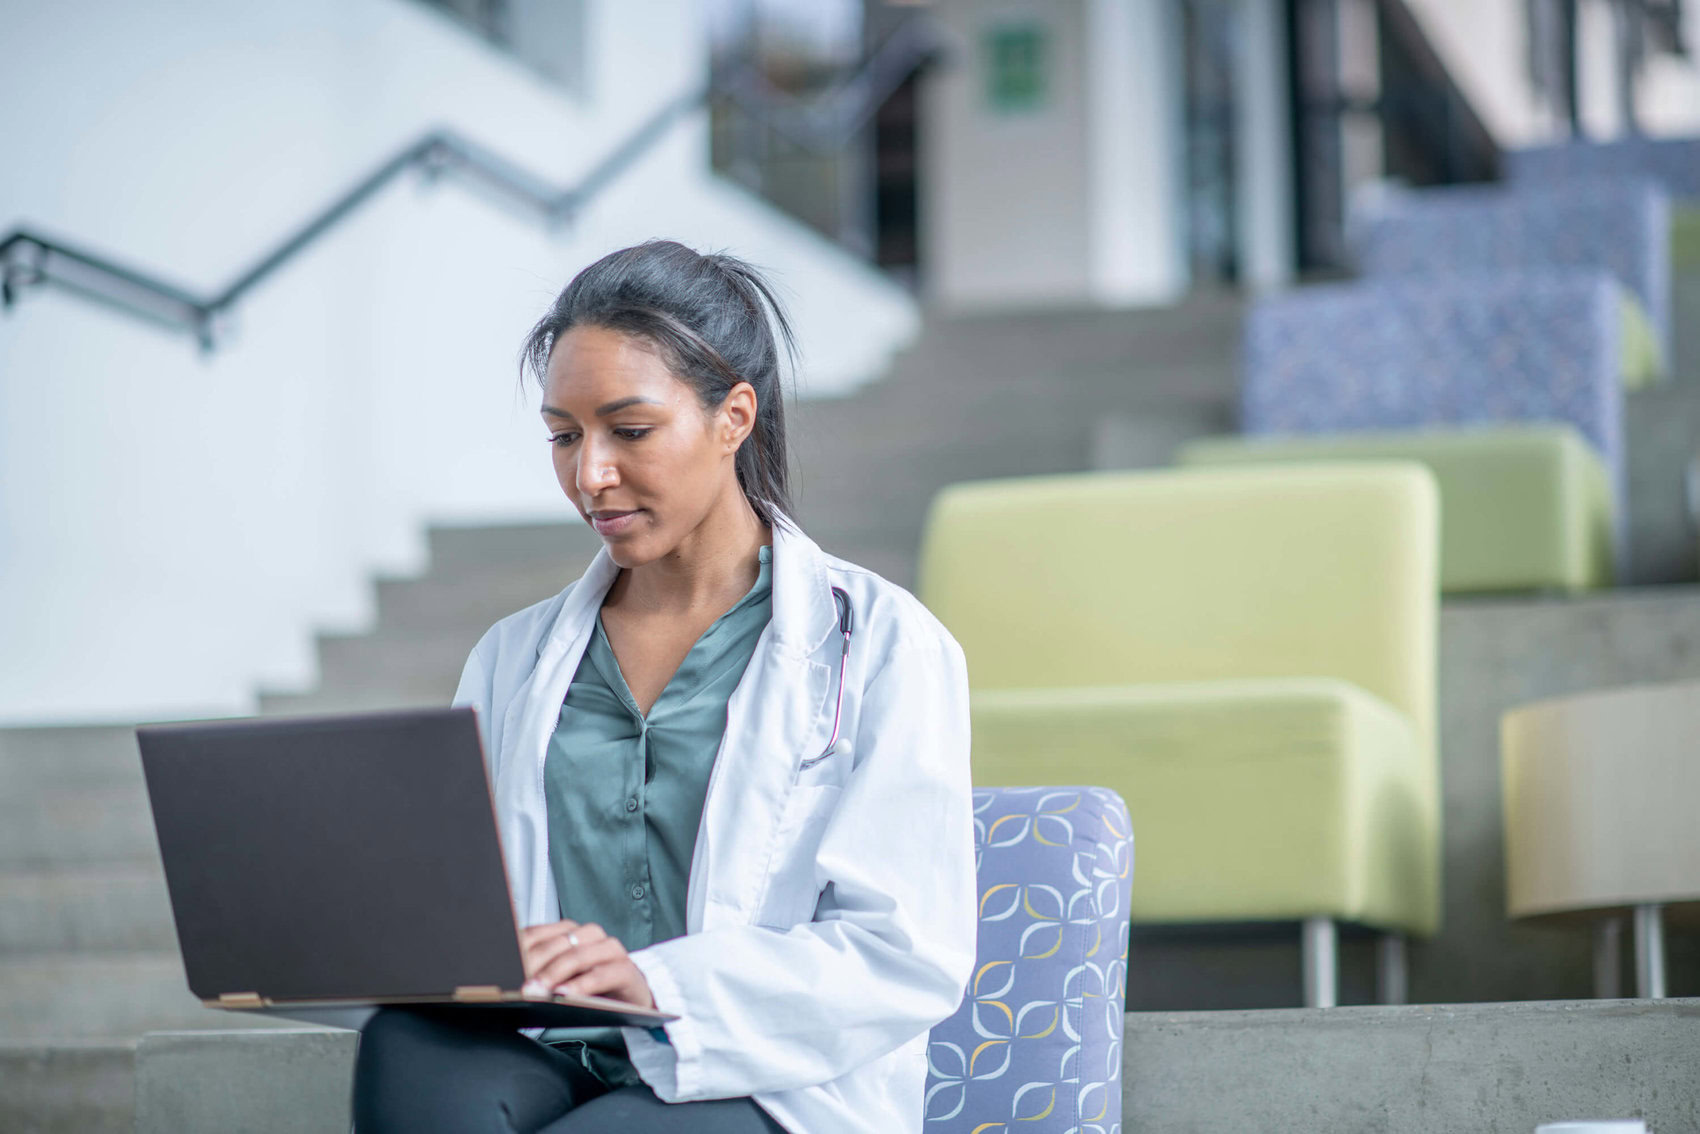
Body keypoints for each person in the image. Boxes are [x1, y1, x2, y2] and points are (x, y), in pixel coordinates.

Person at [352, 240, 977, 1133]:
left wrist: (657, 981)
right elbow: (465, 902)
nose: (589, 475)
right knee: (406, 1046)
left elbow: (901, 952)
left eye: (629, 431)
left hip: (768, 1081)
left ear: (734, 417)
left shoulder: (880, 643)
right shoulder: (512, 658)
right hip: (556, 1052)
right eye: (564, 437)